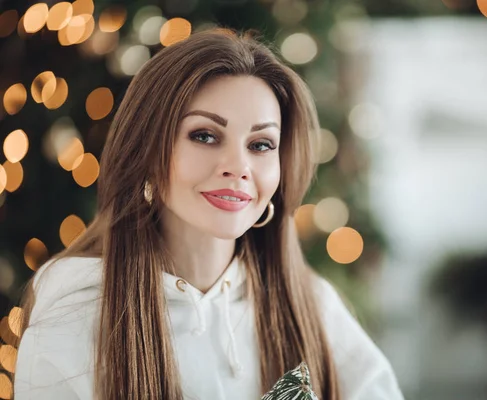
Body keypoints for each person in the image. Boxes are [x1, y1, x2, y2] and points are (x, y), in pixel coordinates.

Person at [13, 28, 403, 400]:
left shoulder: (312, 305)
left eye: (262, 144)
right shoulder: (77, 315)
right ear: (147, 152)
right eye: (204, 136)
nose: (238, 166)